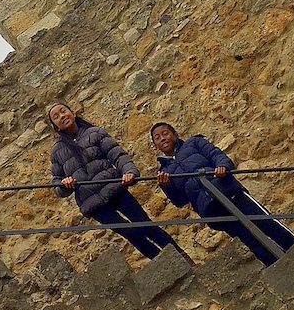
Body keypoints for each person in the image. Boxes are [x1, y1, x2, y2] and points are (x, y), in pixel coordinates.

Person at [49, 103, 189, 261]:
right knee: (132, 234)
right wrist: (64, 184)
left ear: (72, 113)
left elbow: (117, 155)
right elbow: (56, 183)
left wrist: (129, 172)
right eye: (56, 117)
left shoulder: (95, 133)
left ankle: (184, 259)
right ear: (56, 126)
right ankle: (166, 265)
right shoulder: (57, 152)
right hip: (93, 203)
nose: (62, 116)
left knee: (146, 225)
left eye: (63, 111)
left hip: (115, 189)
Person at [151, 122, 294, 266]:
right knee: (249, 240)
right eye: (157, 138)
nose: (162, 138)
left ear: (175, 135)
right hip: (212, 210)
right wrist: (168, 186)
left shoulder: (194, 143)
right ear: (156, 146)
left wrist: (222, 166)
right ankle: (281, 268)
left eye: (165, 133)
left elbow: (217, 155)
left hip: (229, 192)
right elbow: (180, 200)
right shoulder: (165, 171)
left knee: (267, 223)